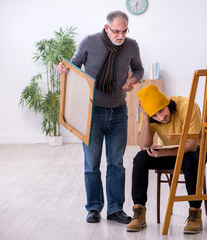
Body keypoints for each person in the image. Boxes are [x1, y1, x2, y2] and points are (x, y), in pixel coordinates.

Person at [57, 10, 144, 224]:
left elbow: (139, 69)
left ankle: (115, 209)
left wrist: (132, 80)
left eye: (124, 31)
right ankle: (94, 208)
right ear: (107, 28)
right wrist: (63, 69)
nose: (120, 36)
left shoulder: (132, 45)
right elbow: (74, 67)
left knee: (116, 164)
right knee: (91, 164)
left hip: (118, 112)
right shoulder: (89, 42)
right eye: (116, 31)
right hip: (92, 113)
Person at [126, 84, 207, 234]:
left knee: (190, 159)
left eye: (161, 111)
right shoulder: (151, 115)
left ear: (167, 103)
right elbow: (143, 145)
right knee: (140, 158)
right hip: (170, 153)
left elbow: (191, 145)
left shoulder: (188, 106)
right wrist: (146, 118)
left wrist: (163, 153)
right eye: (155, 116)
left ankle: (194, 214)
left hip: (194, 152)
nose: (161, 118)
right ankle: (139, 213)